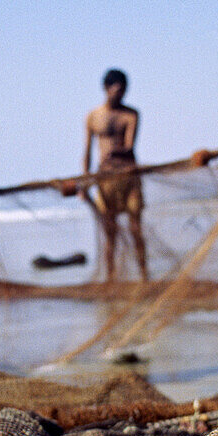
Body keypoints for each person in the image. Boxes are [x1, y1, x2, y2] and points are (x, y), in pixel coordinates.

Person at [83, 68, 148, 281]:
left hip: (129, 177)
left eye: (124, 90)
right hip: (105, 180)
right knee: (109, 233)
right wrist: (85, 182)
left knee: (135, 229)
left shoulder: (130, 115)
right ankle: (110, 278)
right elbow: (87, 152)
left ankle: (144, 275)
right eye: (117, 90)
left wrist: (115, 151)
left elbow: (129, 145)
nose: (120, 94)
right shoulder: (93, 117)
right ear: (106, 88)